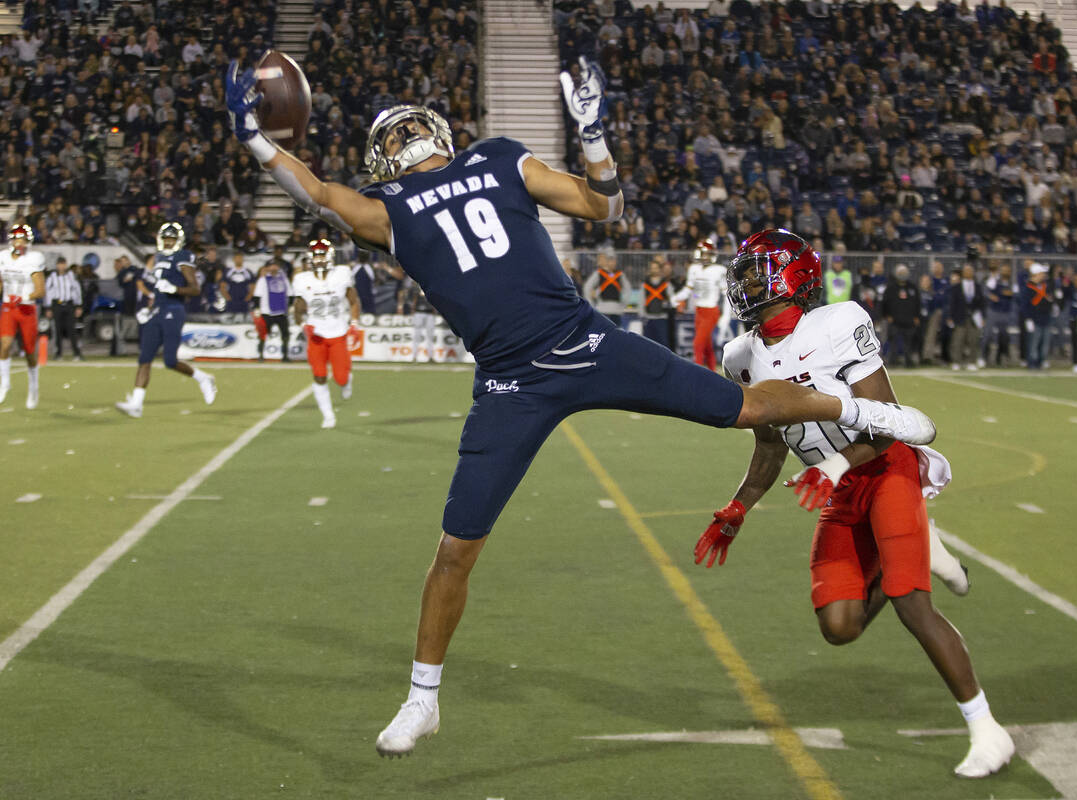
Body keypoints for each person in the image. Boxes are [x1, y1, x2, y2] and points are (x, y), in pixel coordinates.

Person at [225, 55, 938, 759]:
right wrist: (255, 138)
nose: (404, 141)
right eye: (400, 133)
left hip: (570, 350)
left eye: (402, 132)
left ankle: (872, 417)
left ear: (414, 141)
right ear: (409, 146)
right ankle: (422, 700)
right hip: (527, 374)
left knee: (738, 411)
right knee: (462, 544)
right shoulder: (435, 187)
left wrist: (592, 136)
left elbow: (599, 206)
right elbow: (322, 195)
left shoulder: (449, 180)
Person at [698, 228, 1012, 779]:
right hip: (834, 486)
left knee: (912, 603)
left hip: (882, 467)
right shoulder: (740, 355)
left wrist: (838, 464)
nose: (745, 283)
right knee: (839, 625)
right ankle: (912, 552)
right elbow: (769, 444)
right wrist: (739, 507)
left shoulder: (837, 323)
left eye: (756, 272)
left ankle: (987, 729)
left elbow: (889, 423)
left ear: (792, 275)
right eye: (743, 273)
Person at [115, 223, 218, 417]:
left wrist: (174, 289)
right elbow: (158, 290)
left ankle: (203, 378)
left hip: (174, 310)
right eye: (166, 239)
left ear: (178, 241)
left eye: (172, 239)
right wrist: (149, 309)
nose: (168, 243)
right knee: (144, 358)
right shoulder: (159, 257)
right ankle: (136, 404)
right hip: (158, 310)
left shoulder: (183, 256)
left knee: (170, 361)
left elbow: (195, 288)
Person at [292, 238, 361, 428]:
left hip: (338, 333)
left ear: (330, 257)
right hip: (316, 336)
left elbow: (353, 301)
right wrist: (303, 324)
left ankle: (347, 381)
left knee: (341, 378)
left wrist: (354, 324)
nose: (319, 260)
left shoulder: (341, 274)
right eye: (316, 256)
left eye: (322, 256)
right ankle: (328, 415)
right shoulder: (302, 279)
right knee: (319, 375)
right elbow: (298, 309)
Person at [0, 224, 45, 408]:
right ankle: (5, 383)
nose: (20, 243)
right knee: (5, 345)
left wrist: (24, 297)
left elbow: (40, 290)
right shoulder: (3, 257)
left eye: (23, 240)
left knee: (29, 351)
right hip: (8, 307)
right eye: (17, 239)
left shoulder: (34, 259)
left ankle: (34, 387)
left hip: (26, 308)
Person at [676, 237, 727, 370]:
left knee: (697, 344)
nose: (705, 257)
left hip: (711, 310)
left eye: (707, 254)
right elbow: (692, 291)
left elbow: (726, 294)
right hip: (699, 310)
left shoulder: (719, 270)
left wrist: (726, 316)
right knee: (707, 346)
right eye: (703, 253)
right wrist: (676, 299)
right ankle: (712, 371)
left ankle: (696, 373)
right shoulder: (694, 268)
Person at [252, 259, 294, 361]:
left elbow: (290, 293)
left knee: (285, 334)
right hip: (267, 312)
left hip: (281, 312)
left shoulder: (284, 279)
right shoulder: (263, 280)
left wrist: (290, 305)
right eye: (271, 266)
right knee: (263, 334)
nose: (273, 268)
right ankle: (260, 355)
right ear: (267, 268)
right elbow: (257, 295)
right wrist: (257, 308)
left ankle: (285, 356)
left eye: (275, 265)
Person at [44, 257, 84, 360]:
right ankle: (58, 354)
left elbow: (77, 290)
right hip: (57, 305)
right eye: (60, 264)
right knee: (57, 330)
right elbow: (48, 292)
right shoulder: (52, 276)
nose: (61, 266)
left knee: (72, 329)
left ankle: (77, 353)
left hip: (69, 305)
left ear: (66, 265)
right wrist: (48, 307)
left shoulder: (71, 275)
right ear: (57, 265)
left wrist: (79, 306)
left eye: (63, 264)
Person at [946, 264, 983, 371]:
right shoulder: (956, 287)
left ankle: (972, 362)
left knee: (973, 340)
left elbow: (982, 303)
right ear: (963, 273)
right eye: (966, 271)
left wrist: (983, 317)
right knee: (958, 340)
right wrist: (950, 316)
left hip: (974, 317)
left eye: (970, 271)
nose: (968, 273)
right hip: (960, 316)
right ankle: (956, 362)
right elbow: (952, 303)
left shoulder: (977, 287)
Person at [582, 249, 629, 326]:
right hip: (602, 309)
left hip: (616, 310)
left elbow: (627, 290)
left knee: (616, 331)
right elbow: (587, 287)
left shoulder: (620, 275)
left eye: (614, 260)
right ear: (607, 261)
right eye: (610, 260)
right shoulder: (598, 273)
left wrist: (623, 304)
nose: (612, 262)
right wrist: (591, 303)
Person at [1019, 263, 1052, 370]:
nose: (1043, 275)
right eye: (1041, 273)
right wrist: (1028, 318)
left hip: (1046, 317)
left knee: (1044, 343)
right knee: (1033, 342)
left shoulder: (1044, 286)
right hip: (1034, 318)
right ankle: (1032, 362)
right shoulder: (1028, 287)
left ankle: (1041, 362)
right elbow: (1025, 305)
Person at [640, 256, 674, 348]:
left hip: (662, 318)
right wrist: (642, 315)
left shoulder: (666, 284)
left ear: (660, 269)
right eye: (652, 268)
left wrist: (667, 305)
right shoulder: (645, 284)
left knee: (663, 344)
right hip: (648, 318)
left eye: (656, 268)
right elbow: (641, 300)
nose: (654, 270)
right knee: (647, 345)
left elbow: (672, 300)